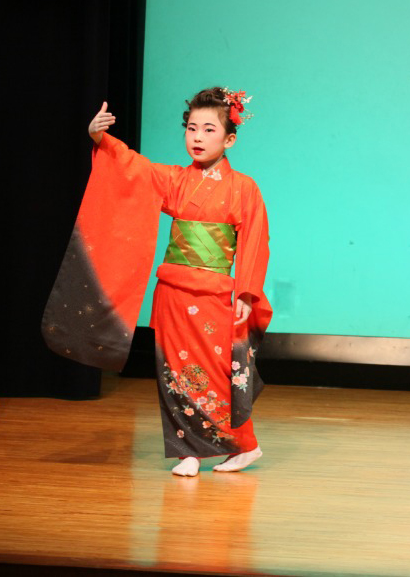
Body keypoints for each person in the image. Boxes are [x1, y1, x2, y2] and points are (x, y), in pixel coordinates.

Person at [43, 87, 272, 477]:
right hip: (171, 292)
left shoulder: (243, 188)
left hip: (215, 294)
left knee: (219, 371)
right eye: (192, 128)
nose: (197, 137)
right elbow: (132, 167)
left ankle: (245, 446)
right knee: (173, 371)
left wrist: (246, 292)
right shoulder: (174, 180)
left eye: (208, 130)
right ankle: (189, 452)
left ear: (229, 138)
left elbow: (254, 240)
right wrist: (100, 138)